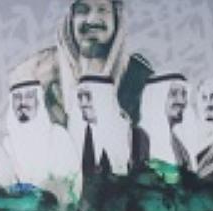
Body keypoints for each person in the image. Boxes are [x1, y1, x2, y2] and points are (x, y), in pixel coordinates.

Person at [9, 0, 152, 127]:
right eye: (83, 10)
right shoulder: (36, 72)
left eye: (102, 9)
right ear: (70, 18)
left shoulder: (140, 77)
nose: (92, 20)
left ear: (116, 17)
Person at [2, 79, 80, 202]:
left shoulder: (57, 135)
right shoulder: (6, 144)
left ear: (38, 101)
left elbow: (70, 182)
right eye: (17, 97)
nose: (22, 103)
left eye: (29, 96)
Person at [71, 74, 134, 176]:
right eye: (79, 97)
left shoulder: (124, 132)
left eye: (88, 96)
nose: (82, 103)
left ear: (102, 97)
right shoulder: (83, 135)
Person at [137, 73, 195, 170]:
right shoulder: (139, 139)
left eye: (184, 94)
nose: (181, 101)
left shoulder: (179, 144)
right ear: (157, 98)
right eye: (173, 94)